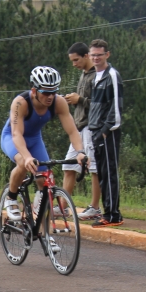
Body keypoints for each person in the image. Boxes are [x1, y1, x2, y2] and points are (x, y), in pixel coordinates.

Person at [0, 66, 87, 222]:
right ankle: (11, 198)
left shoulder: (59, 102)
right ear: (34, 91)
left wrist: (81, 152)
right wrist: (27, 157)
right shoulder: (21, 103)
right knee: (22, 163)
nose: (50, 96)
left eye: (54, 92)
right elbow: (16, 134)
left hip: (34, 139)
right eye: (46, 92)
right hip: (12, 138)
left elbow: (73, 131)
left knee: (45, 181)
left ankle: (42, 230)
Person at [87, 39, 124, 227]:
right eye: (93, 55)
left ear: (107, 55)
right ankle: (107, 212)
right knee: (102, 173)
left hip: (107, 133)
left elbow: (116, 108)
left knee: (109, 173)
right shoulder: (96, 77)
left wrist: (104, 131)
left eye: (99, 55)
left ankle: (113, 215)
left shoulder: (112, 75)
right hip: (95, 132)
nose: (96, 58)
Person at [64, 42, 101, 220]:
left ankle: (95, 207)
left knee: (94, 168)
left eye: (76, 60)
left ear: (86, 56)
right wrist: (74, 100)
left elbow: (99, 105)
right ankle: (63, 207)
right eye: (72, 61)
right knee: (68, 165)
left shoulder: (98, 76)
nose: (74, 64)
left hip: (91, 127)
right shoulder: (84, 74)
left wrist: (79, 100)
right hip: (78, 128)